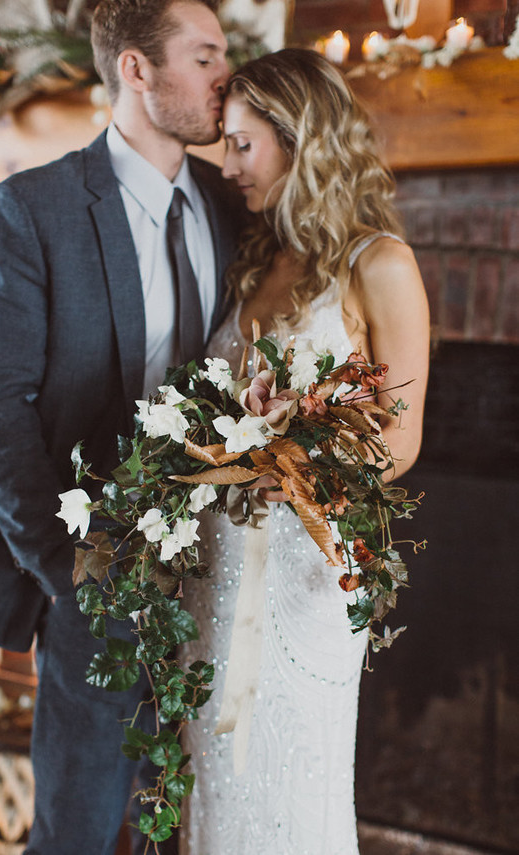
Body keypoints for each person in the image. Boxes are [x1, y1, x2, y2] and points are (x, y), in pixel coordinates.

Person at [0, 1, 247, 853]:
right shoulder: (33, 208)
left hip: (220, 572)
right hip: (95, 579)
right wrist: (66, 562)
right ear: (136, 70)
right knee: (77, 830)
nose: (224, 74)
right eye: (203, 56)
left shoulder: (237, 206)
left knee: (188, 825)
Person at [179, 48, 430, 854]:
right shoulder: (256, 261)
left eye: (243, 143)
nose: (228, 165)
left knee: (294, 785)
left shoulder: (380, 264)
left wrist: (294, 462)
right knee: (212, 778)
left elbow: (400, 437)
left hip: (305, 569)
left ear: (301, 138)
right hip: (214, 573)